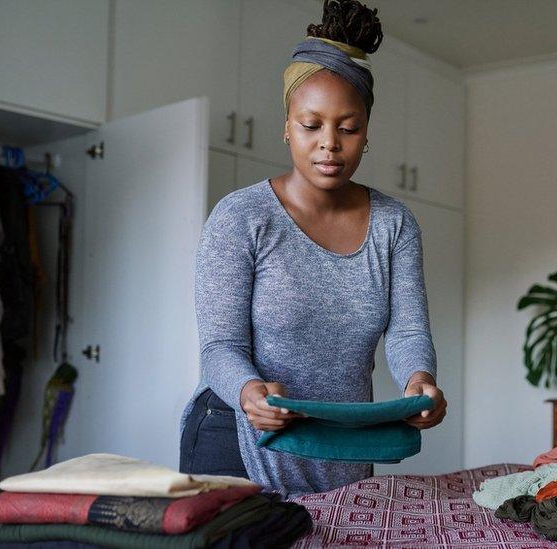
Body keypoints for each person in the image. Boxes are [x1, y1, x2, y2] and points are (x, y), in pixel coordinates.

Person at [178, 0, 446, 499]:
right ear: (286, 126)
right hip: (239, 431)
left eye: (348, 128)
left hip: (342, 438)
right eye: (311, 125)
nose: (330, 144)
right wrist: (246, 391)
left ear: (366, 133)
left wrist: (419, 379)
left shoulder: (394, 224)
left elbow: (408, 330)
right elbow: (220, 346)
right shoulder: (241, 218)